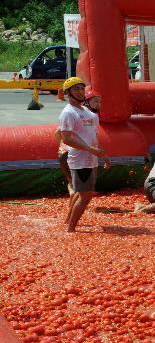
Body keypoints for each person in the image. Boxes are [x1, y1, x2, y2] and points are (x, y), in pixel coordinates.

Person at [58, 77, 106, 232]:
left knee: (82, 192)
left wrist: (101, 154)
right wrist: (90, 149)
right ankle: (71, 229)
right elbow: (66, 138)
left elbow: (93, 135)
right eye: (76, 89)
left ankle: (68, 222)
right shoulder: (68, 113)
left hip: (91, 158)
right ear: (68, 93)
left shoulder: (88, 113)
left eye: (81, 89)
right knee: (86, 197)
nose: (80, 92)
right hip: (79, 160)